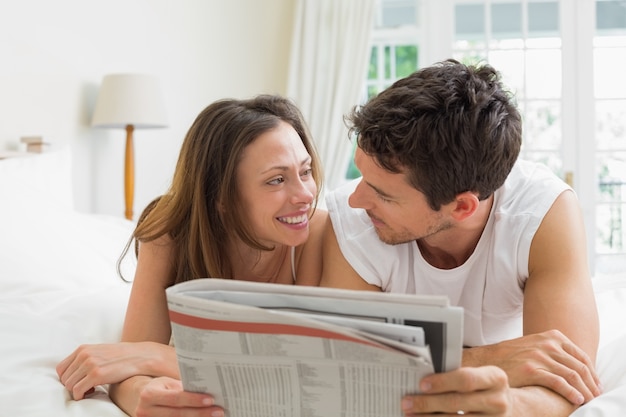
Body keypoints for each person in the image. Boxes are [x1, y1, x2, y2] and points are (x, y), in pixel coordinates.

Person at [320, 59, 602, 416]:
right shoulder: (352, 224)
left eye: (385, 195)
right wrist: (486, 358)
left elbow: (569, 383)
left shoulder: (542, 214)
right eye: (361, 176)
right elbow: (350, 368)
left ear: (462, 207)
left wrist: (510, 405)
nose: (355, 200)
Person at [56, 94, 328, 417]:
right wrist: (144, 395)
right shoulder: (168, 233)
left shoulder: (319, 233)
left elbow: (302, 368)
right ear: (221, 199)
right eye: (277, 180)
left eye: (306, 171)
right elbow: (126, 371)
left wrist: (152, 357)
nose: (306, 194)